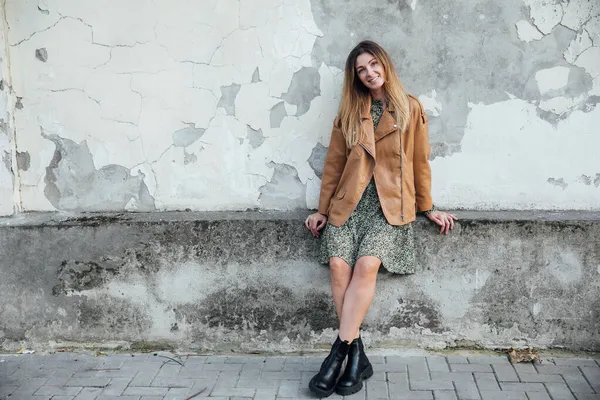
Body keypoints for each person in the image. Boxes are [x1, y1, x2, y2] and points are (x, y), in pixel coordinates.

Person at [304, 40, 457, 397]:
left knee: (367, 265)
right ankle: (355, 354)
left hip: (391, 205)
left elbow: (420, 161)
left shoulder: (410, 108)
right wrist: (322, 209)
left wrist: (428, 206)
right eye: (362, 69)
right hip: (350, 202)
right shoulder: (348, 112)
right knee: (339, 266)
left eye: (374, 65)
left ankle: (337, 354)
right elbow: (334, 166)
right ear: (355, 77)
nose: (370, 73)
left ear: (385, 65)